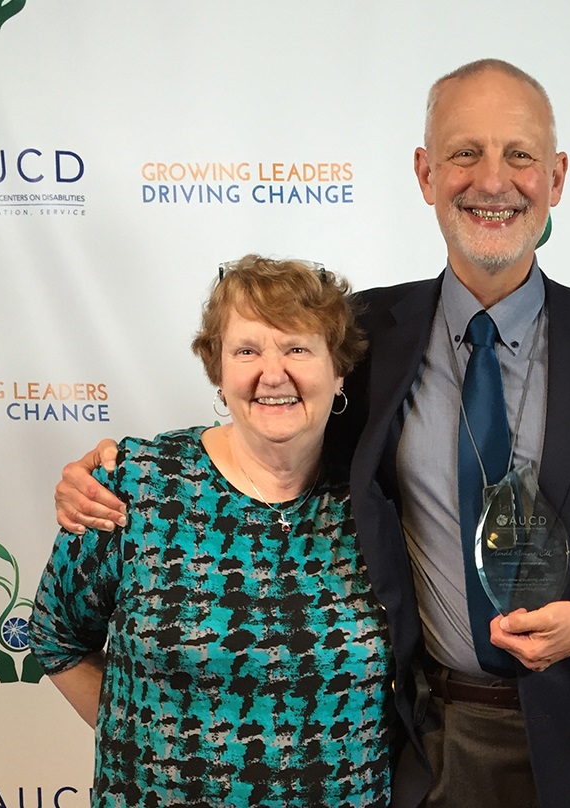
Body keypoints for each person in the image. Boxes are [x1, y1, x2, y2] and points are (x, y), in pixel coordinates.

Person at [54, 59, 570, 808]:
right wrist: (118, 468)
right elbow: (270, 432)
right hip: (424, 743)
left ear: (556, 177)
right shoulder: (361, 337)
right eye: (464, 153)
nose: (492, 180)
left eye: (520, 155)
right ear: (425, 173)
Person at [32, 256, 392, 807]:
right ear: (218, 372)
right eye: (247, 351)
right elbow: (55, 636)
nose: (273, 373)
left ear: (339, 369)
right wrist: (145, 748)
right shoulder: (137, 482)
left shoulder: (376, 498)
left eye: (298, 348)